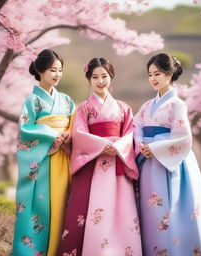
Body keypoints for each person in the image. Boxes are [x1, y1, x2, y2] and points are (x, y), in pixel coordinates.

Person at [57, 57, 142, 256]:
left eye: (104, 76)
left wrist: (119, 146)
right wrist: (103, 145)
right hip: (93, 163)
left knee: (121, 208)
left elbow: (131, 134)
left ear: (111, 77)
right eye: (95, 77)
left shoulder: (123, 108)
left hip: (117, 162)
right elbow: (78, 134)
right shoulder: (84, 108)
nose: (100, 81)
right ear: (89, 79)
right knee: (93, 207)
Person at [134, 53, 201, 256]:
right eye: (150, 74)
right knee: (152, 212)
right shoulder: (145, 107)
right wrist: (141, 144)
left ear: (169, 74)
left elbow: (183, 136)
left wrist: (154, 147)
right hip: (150, 161)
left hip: (171, 163)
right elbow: (135, 128)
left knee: (174, 211)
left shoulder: (177, 104)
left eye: (158, 74)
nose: (153, 79)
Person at [12, 49, 75, 256]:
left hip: (63, 156)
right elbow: (25, 129)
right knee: (40, 207)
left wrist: (68, 133)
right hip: (42, 160)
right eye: (52, 70)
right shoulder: (32, 101)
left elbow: (75, 124)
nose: (57, 75)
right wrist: (50, 135)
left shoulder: (66, 100)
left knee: (62, 204)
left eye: (60, 70)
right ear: (40, 71)